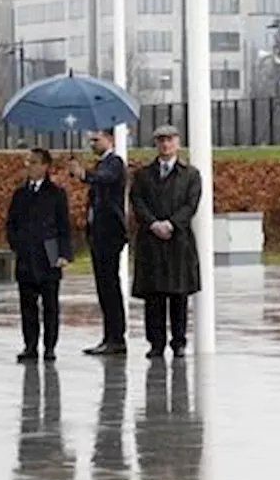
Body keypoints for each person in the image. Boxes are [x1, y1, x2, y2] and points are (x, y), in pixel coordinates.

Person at [130, 124, 202, 358]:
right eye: (161, 140)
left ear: (177, 143)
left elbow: (190, 205)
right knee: (154, 296)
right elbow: (137, 202)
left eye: (169, 139)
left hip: (178, 242)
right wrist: (153, 224)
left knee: (178, 295)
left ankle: (178, 341)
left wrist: (171, 224)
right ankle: (156, 342)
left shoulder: (190, 175)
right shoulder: (143, 175)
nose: (165, 144)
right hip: (151, 241)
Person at [6, 148, 73, 362]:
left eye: (34, 162)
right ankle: (30, 345)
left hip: (49, 254)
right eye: (29, 162)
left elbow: (64, 226)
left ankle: (50, 346)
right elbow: (11, 224)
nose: (30, 166)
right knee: (27, 305)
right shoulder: (20, 194)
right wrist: (16, 244)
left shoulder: (56, 193)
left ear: (45, 166)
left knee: (50, 305)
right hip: (26, 255)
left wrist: (64, 253)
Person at [67, 128, 128, 356]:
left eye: (97, 139)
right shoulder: (102, 164)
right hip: (98, 234)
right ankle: (109, 335)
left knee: (110, 286)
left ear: (109, 139)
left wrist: (84, 174)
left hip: (110, 233)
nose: (92, 144)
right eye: (91, 140)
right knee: (104, 287)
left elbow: (105, 179)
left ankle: (117, 337)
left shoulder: (114, 163)